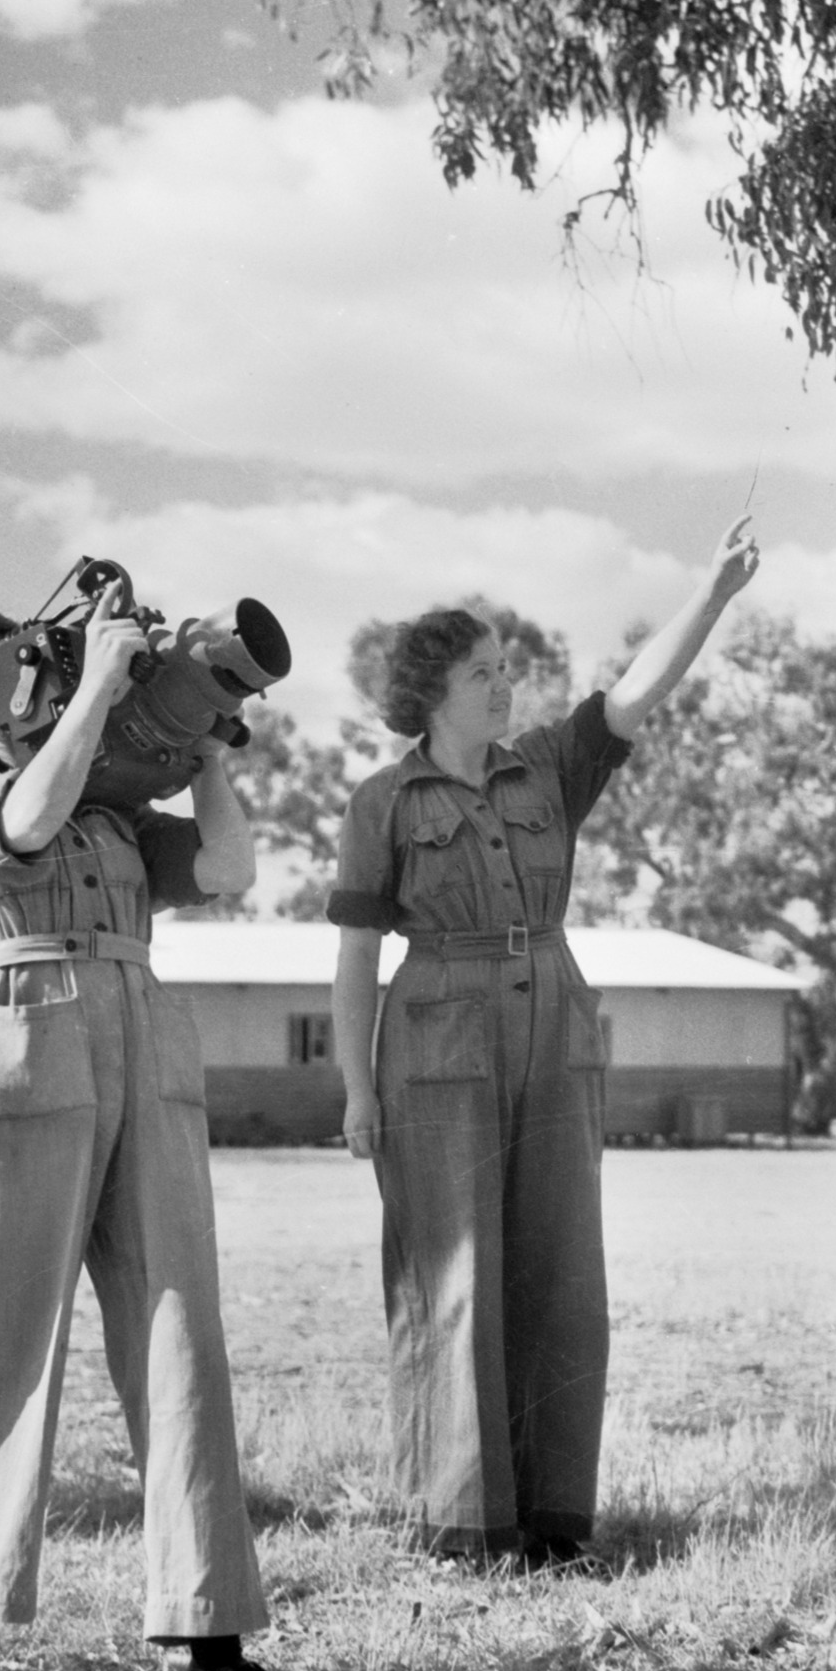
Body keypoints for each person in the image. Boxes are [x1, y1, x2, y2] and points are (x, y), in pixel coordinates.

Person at [0, 587, 294, 1671]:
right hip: (26, 1037)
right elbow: (20, 823)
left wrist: (204, 752)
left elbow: (226, 871)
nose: (5, 668)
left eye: (17, 652)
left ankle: (209, 1636)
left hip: (142, 1033)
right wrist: (100, 692)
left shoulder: (107, 807)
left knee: (178, 1329)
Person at [327, 518, 761, 1568]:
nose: (504, 686)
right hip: (434, 1033)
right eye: (482, 672)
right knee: (455, 1275)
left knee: (562, 1270)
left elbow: (634, 693)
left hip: (552, 1015)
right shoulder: (381, 803)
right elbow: (353, 955)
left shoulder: (548, 769)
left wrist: (709, 596)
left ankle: (554, 1517)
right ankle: (461, 1519)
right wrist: (354, 1087)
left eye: (505, 669)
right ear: (431, 692)